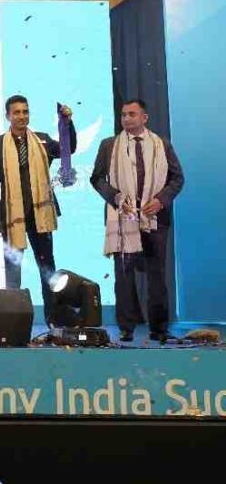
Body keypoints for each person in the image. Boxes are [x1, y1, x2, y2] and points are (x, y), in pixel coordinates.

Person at [91, 99, 184, 343]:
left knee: (157, 276)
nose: (126, 118)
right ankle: (126, 328)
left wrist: (161, 200)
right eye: (123, 115)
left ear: (145, 118)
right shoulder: (109, 145)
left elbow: (177, 178)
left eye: (132, 114)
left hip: (155, 219)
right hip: (123, 217)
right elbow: (96, 179)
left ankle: (159, 329)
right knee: (124, 276)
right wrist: (116, 197)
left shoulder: (161, 144)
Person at [0, 95, 76, 325]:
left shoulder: (42, 141)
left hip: (40, 215)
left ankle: (53, 319)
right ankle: (13, 320)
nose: (21, 116)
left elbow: (68, 149)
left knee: (47, 268)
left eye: (25, 111)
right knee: (13, 268)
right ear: (8, 116)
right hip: (11, 216)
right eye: (16, 112)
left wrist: (67, 125)